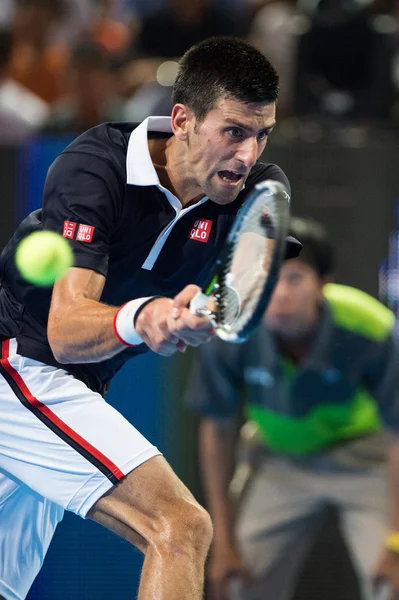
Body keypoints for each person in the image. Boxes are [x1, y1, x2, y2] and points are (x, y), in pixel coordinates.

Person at [0, 36, 300, 600]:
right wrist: (145, 317)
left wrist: (195, 316)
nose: (247, 155)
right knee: (180, 527)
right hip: (20, 364)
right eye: (233, 131)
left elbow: (236, 296)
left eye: (262, 134)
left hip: (72, 388)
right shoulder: (96, 167)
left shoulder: (256, 190)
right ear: (182, 120)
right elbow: (65, 334)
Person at [186, 217, 399, 600]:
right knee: (236, 584)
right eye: (268, 278)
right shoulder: (231, 328)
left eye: (295, 278)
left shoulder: (371, 329)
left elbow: (398, 435)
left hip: (365, 461)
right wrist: (222, 541)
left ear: (324, 284)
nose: (279, 293)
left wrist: (396, 542)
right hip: (277, 462)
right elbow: (215, 429)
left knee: (391, 585)